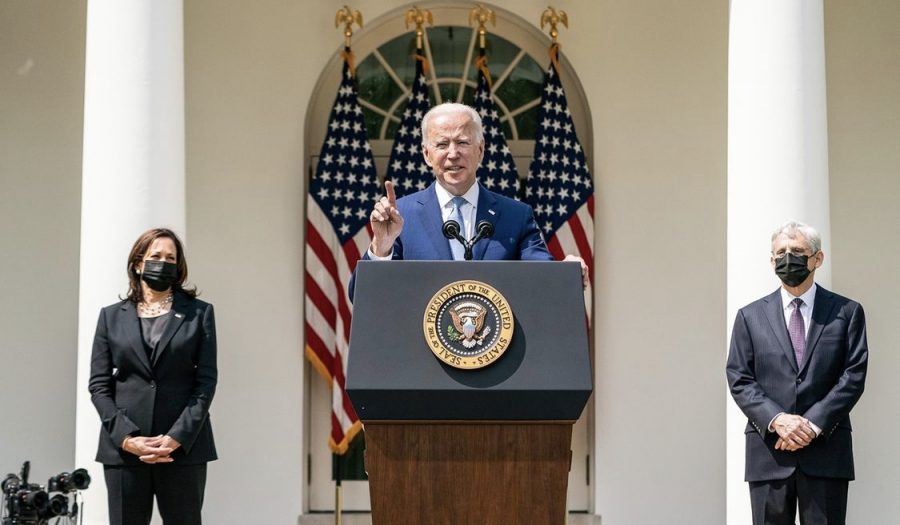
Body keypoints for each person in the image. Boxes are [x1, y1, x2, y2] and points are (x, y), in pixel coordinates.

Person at [726, 220, 868, 525]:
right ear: (771, 260)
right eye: (781, 252)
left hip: (826, 451)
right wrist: (778, 420)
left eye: (798, 251)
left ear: (818, 258)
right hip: (769, 453)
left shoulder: (847, 312)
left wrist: (811, 424)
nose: (788, 257)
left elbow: (853, 375)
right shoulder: (749, 317)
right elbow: (740, 378)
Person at [363, 102, 587, 277]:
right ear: (426, 154)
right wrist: (382, 246)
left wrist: (566, 271)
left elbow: (543, 276)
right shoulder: (402, 216)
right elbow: (362, 295)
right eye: (442, 144)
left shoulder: (516, 216)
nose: (452, 154)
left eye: (462, 142)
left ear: (480, 150)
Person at [89, 228, 217, 525]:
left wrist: (176, 437)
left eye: (171, 257)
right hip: (124, 452)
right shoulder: (110, 316)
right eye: (156, 256)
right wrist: (126, 437)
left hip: (182, 450)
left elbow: (206, 382)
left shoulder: (200, 313)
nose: (164, 262)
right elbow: (98, 385)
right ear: (138, 263)